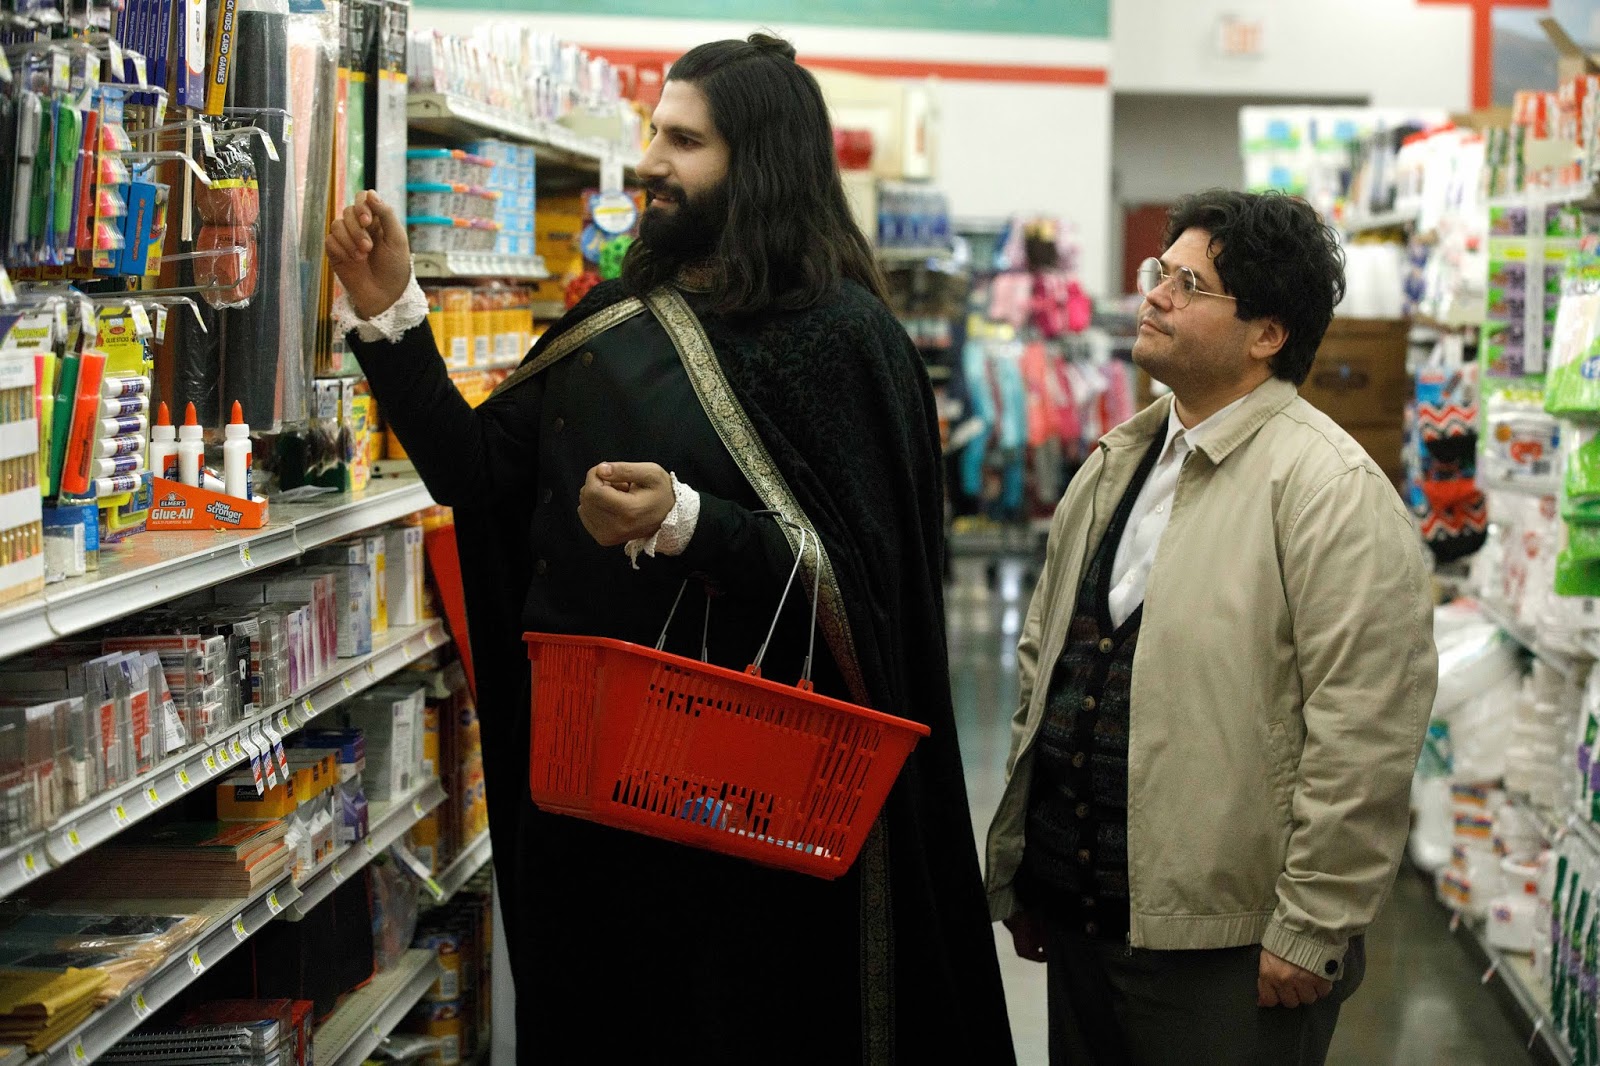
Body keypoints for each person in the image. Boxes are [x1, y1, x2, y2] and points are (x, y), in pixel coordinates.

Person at [325, 32, 1015, 1065]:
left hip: (763, 830)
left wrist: (688, 522)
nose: (649, 159)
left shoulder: (846, 339)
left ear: (760, 162)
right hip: (602, 815)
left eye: (683, 140)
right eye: (654, 129)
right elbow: (475, 475)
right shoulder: (615, 319)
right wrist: (392, 313)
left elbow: (867, 601)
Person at [984, 189, 1438, 1065]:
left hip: (1227, 953)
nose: (1153, 294)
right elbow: (1049, 660)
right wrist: (1028, 868)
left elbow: (1368, 729)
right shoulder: (1118, 463)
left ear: (1267, 334)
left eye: (1188, 284)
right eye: (1161, 272)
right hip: (1085, 920)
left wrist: (1312, 926)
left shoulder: (1328, 491)